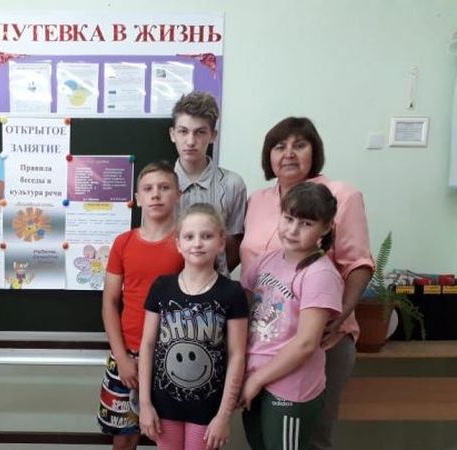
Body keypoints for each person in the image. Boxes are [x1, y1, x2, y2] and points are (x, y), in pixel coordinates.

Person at [239, 117, 374, 450]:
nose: (288, 153)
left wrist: (339, 316)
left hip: (319, 340)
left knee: (310, 438)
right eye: (279, 146)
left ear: (315, 152)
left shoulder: (341, 195)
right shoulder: (257, 200)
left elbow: (358, 263)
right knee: (262, 435)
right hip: (264, 341)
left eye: (299, 145)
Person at [240, 182, 344, 450]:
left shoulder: (320, 274)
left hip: (289, 387)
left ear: (325, 228)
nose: (293, 230)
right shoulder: (266, 261)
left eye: (306, 223)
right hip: (255, 379)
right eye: (288, 219)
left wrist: (257, 380)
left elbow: (306, 343)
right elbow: (242, 313)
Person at [139, 203, 249, 450]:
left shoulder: (232, 293)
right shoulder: (162, 287)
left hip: (208, 409)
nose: (197, 243)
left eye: (206, 236)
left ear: (221, 242)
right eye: (189, 237)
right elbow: (147, 345)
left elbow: (237, 355)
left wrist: (224, 415)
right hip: (164, 405)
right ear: (178, 243)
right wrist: (145, 404)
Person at [98, 161, 185, 450]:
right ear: (138, 198)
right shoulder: (123, 243)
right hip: (128, 354)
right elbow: (110, 303)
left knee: (171, 437)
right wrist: (122, 357)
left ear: (178, 195)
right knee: (124, 439)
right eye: (148, 189)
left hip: (172, 355)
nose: (156, 194)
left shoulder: (188, 244)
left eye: (164, 187)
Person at [170, 91, 247, 276]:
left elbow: (235, 245)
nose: (190, 141)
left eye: (200, 132)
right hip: (169, 284)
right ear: (173, 134)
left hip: (216, 284)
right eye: (183, 131)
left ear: (213, 135)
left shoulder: (232, 184)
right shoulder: (157, 186)